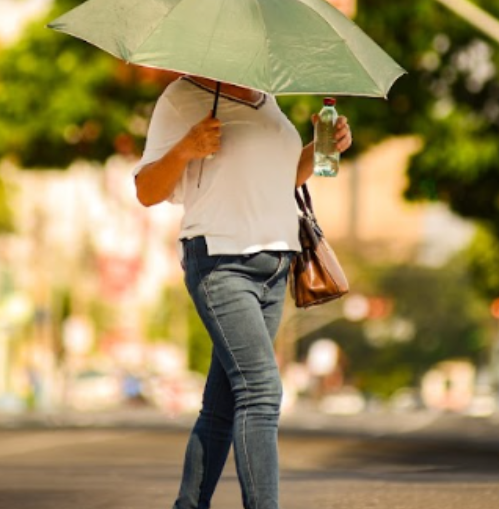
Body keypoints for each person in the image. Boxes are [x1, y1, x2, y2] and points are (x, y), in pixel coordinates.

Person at [134, 74, 351, 509]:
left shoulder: (265, 97)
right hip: (220, 261)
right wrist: (186, 148)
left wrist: (322, 148)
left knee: (222, 407)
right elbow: (146, 190)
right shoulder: (182, 97)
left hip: (275, 267)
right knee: (261, 390)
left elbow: (284, 179)